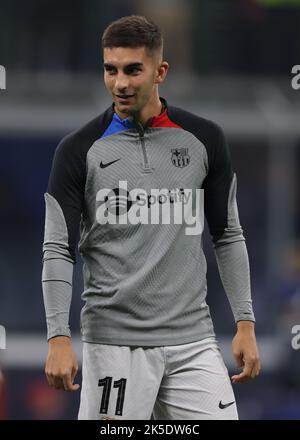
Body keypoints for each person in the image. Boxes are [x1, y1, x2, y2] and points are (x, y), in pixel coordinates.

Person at [42, 15, 260, 420]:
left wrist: (244, 322)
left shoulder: (204, 139)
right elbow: (58, 248)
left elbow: (227, 235)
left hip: (193, 341)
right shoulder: (77, 151)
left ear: (160, 71)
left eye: (132, 70)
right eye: (111, 70)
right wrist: (58, 336)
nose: (120, 83)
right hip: (114, 347)